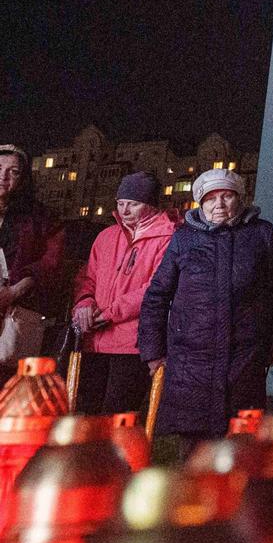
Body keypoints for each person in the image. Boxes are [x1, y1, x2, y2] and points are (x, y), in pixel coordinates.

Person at [138, 168, 273, 448]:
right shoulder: (184, 239)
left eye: (227, 196)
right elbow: (157, 296)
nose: (219, 205)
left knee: (240, 452)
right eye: (211, 199)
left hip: (244, 362)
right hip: (190, 365)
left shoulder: (261, 234)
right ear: (200, 203)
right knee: (194, 456)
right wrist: (153, 353)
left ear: (241, 199)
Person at [70, 171, 176, 416]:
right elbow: (88, 278)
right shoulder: (106, 237)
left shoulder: (168, 237)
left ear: (150, 205)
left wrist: (109, 313)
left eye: (134, 204)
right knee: (86, 413)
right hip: (94, 340)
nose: (125, 210)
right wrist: (84, 303)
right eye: (120, 203)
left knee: (118, 415)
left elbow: (155, 288)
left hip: (132, 342)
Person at [0, 145, 62, 371]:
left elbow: (50, 262)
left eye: (13, 172)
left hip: (18, 313)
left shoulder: (41, 217)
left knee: (12, 383)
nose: (3, 177)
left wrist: (14, 291)